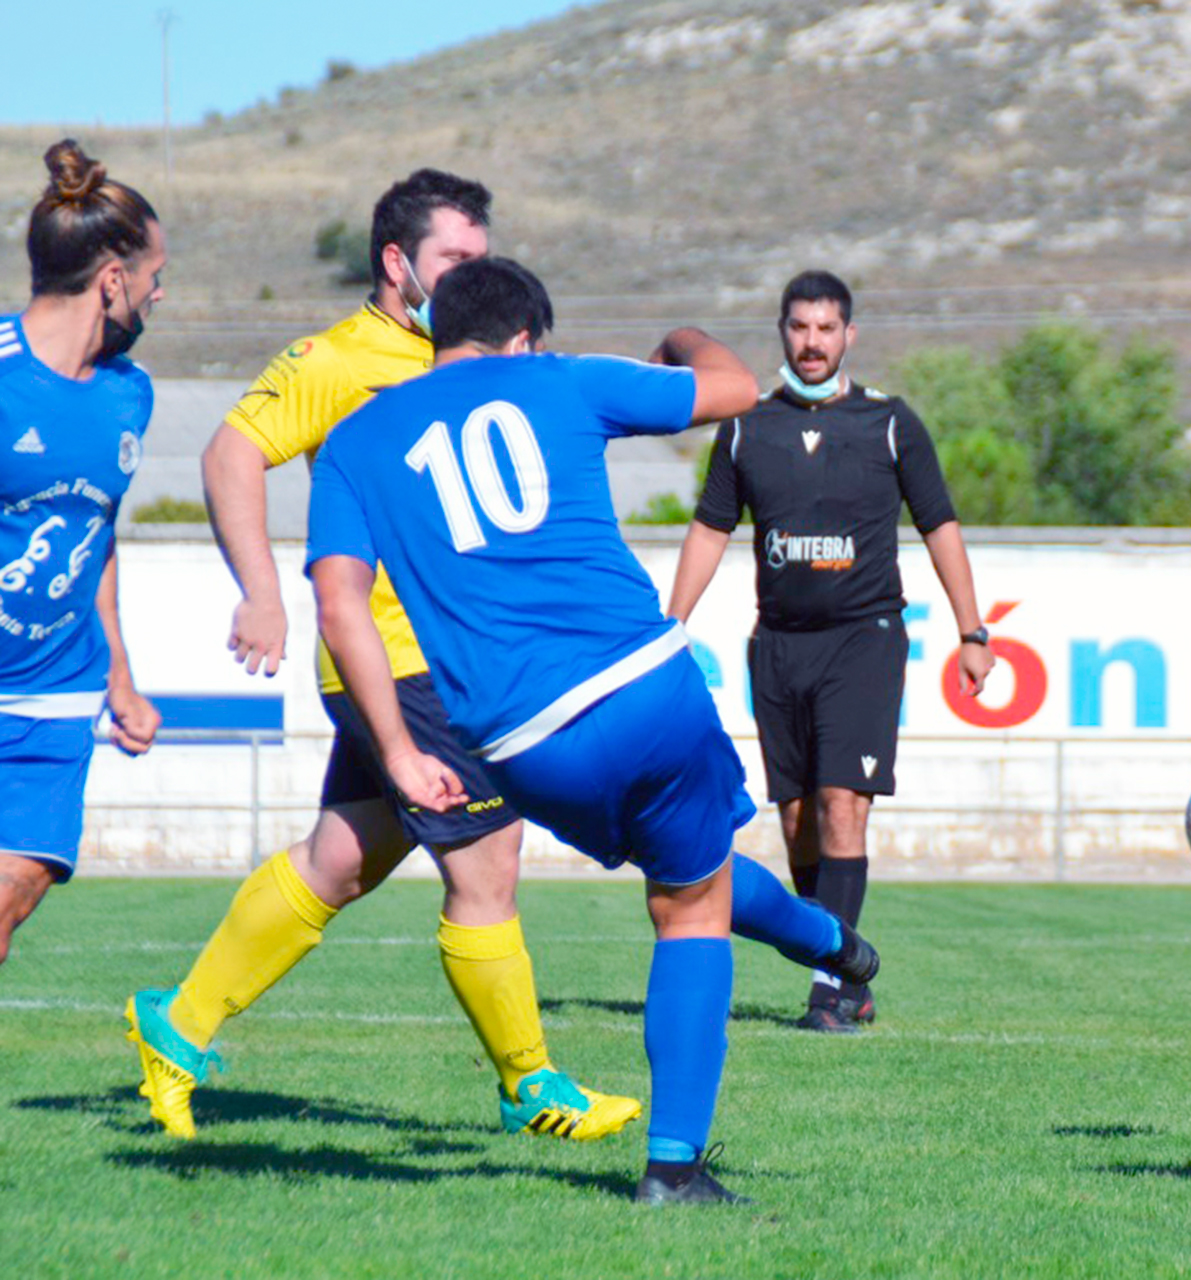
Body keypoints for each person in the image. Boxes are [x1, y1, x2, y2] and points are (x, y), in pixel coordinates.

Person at [306, 257, 877, 1205]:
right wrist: (681, 338)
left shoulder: (353, 442)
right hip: (640, 686)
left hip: (515, 744)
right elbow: (738, 387)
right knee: (691, 903)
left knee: (688, 870)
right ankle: (675, 1166)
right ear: (525, 336)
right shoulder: (560, 379)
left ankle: (830, 942)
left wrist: (400, 752)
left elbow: (339, 606)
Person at [126, 171, 637, 1145]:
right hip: (401, 659)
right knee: (487, 863)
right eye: (455, 258)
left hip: (455, 657)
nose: (474, 274)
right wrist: (261, 589)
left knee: (339, 860)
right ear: (398, 263)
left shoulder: (490, 360)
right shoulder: (336, 361)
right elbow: (230, 454)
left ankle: (177, 1027)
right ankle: (530, 1082)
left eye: (483, 259)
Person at [668, 269, 993, 1033]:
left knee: (844, 805)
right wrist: (671, 624)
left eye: (826, 328)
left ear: (849, 335)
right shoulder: (747, 426)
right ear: (783, 332)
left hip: (864, 639)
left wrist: (972, 631)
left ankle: (833, 986)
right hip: (779, 645)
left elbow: (940, 526)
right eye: (799, 327)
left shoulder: (890, 423)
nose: (812, 342)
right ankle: (842, 964)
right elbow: (710, 530)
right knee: (798, 823)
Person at [0, 140, 165, 964]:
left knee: (12, 894)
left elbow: (96, 535)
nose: (159, 292)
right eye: (154, 275)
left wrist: (120, 676)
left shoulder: (130, 393)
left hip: (56, 694)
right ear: (111, 281)